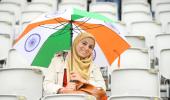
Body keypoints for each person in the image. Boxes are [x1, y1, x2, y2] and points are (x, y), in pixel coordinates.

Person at [43, 32, 106, 99]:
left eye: (90, 47)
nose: (87, 48)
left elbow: (102, 89)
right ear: (76, 42)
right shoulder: (58, 60)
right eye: (84, 43)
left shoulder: (93, 66)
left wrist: (84, 81)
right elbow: (47, 85)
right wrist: (62, 90)